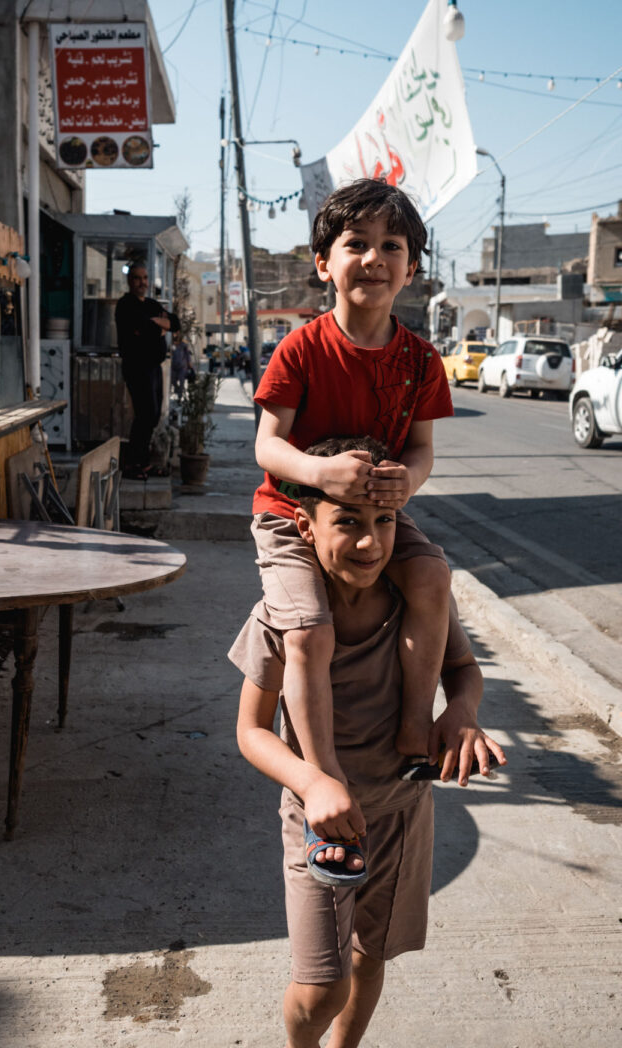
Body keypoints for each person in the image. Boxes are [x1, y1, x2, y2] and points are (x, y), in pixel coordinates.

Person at [232, 436, 506, 1048]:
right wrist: (311, 780)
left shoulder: (417, 603)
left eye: (384, 522)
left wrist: (461, 711)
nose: (368, 542)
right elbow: (250, 731)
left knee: (370, 955)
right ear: (304, 525)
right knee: (320, 986)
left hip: (405, 811)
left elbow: (463, 670)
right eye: (348, 522)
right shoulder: (286, 617)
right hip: (321, 824)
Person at [252, 178, 453, 846]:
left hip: (375, 512)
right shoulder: (302, 348)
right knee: (308, 630)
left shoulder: (422, 359)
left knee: (431, 578)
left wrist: (405, 486)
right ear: (323, 264)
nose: (373, 257)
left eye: (390, 245)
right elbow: (268, 444)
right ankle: (321, 773)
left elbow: (421, 452)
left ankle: (413, 723)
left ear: (412, 268)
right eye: (355, 244)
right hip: (290, 512)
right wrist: (318, 473)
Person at [114, 262, 178, 478]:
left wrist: (156, 324)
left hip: (154, 367)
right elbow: (144, 327)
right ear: (129, 281)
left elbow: (176, 323)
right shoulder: (126, 305)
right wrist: (158, 326)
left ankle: (143, 462)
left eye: (144, 278)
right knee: (144, 414)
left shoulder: (150, 304)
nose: (142, 282)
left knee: (153, 415)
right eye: (137, 278)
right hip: (136, 366)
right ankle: (133, 465)